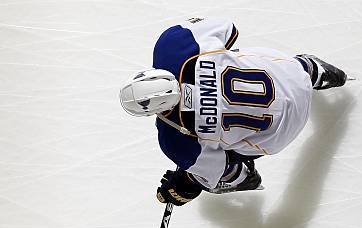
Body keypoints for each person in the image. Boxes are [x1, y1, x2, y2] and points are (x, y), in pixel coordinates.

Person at [119, 17, 348, 205]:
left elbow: (212, 172)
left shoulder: (175, 141)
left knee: (217, 163)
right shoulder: (173, 44)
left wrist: (186, 182)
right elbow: (229, 29)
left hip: (286, 128)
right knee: (236, 58)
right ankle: (310, 69)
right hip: (288, 74)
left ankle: (242, 178)